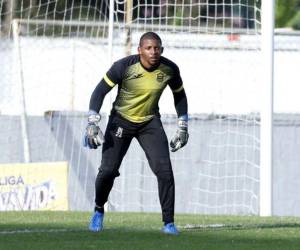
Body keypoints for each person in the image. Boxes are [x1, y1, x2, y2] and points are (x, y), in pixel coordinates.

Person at [83, 32, 188, 235]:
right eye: (148, 48)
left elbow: (180, 95)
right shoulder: (123, 66)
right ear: (139, 50)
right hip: (120, 120)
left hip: (149, 122)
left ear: (162, 50)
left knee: (164, 171)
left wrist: (182, 124)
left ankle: (169, 223)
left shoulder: (170, 69)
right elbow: (99, 92)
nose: (153, 52)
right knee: (107, 171)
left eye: (157, 48)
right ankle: (98, 209)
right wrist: (92, 121)